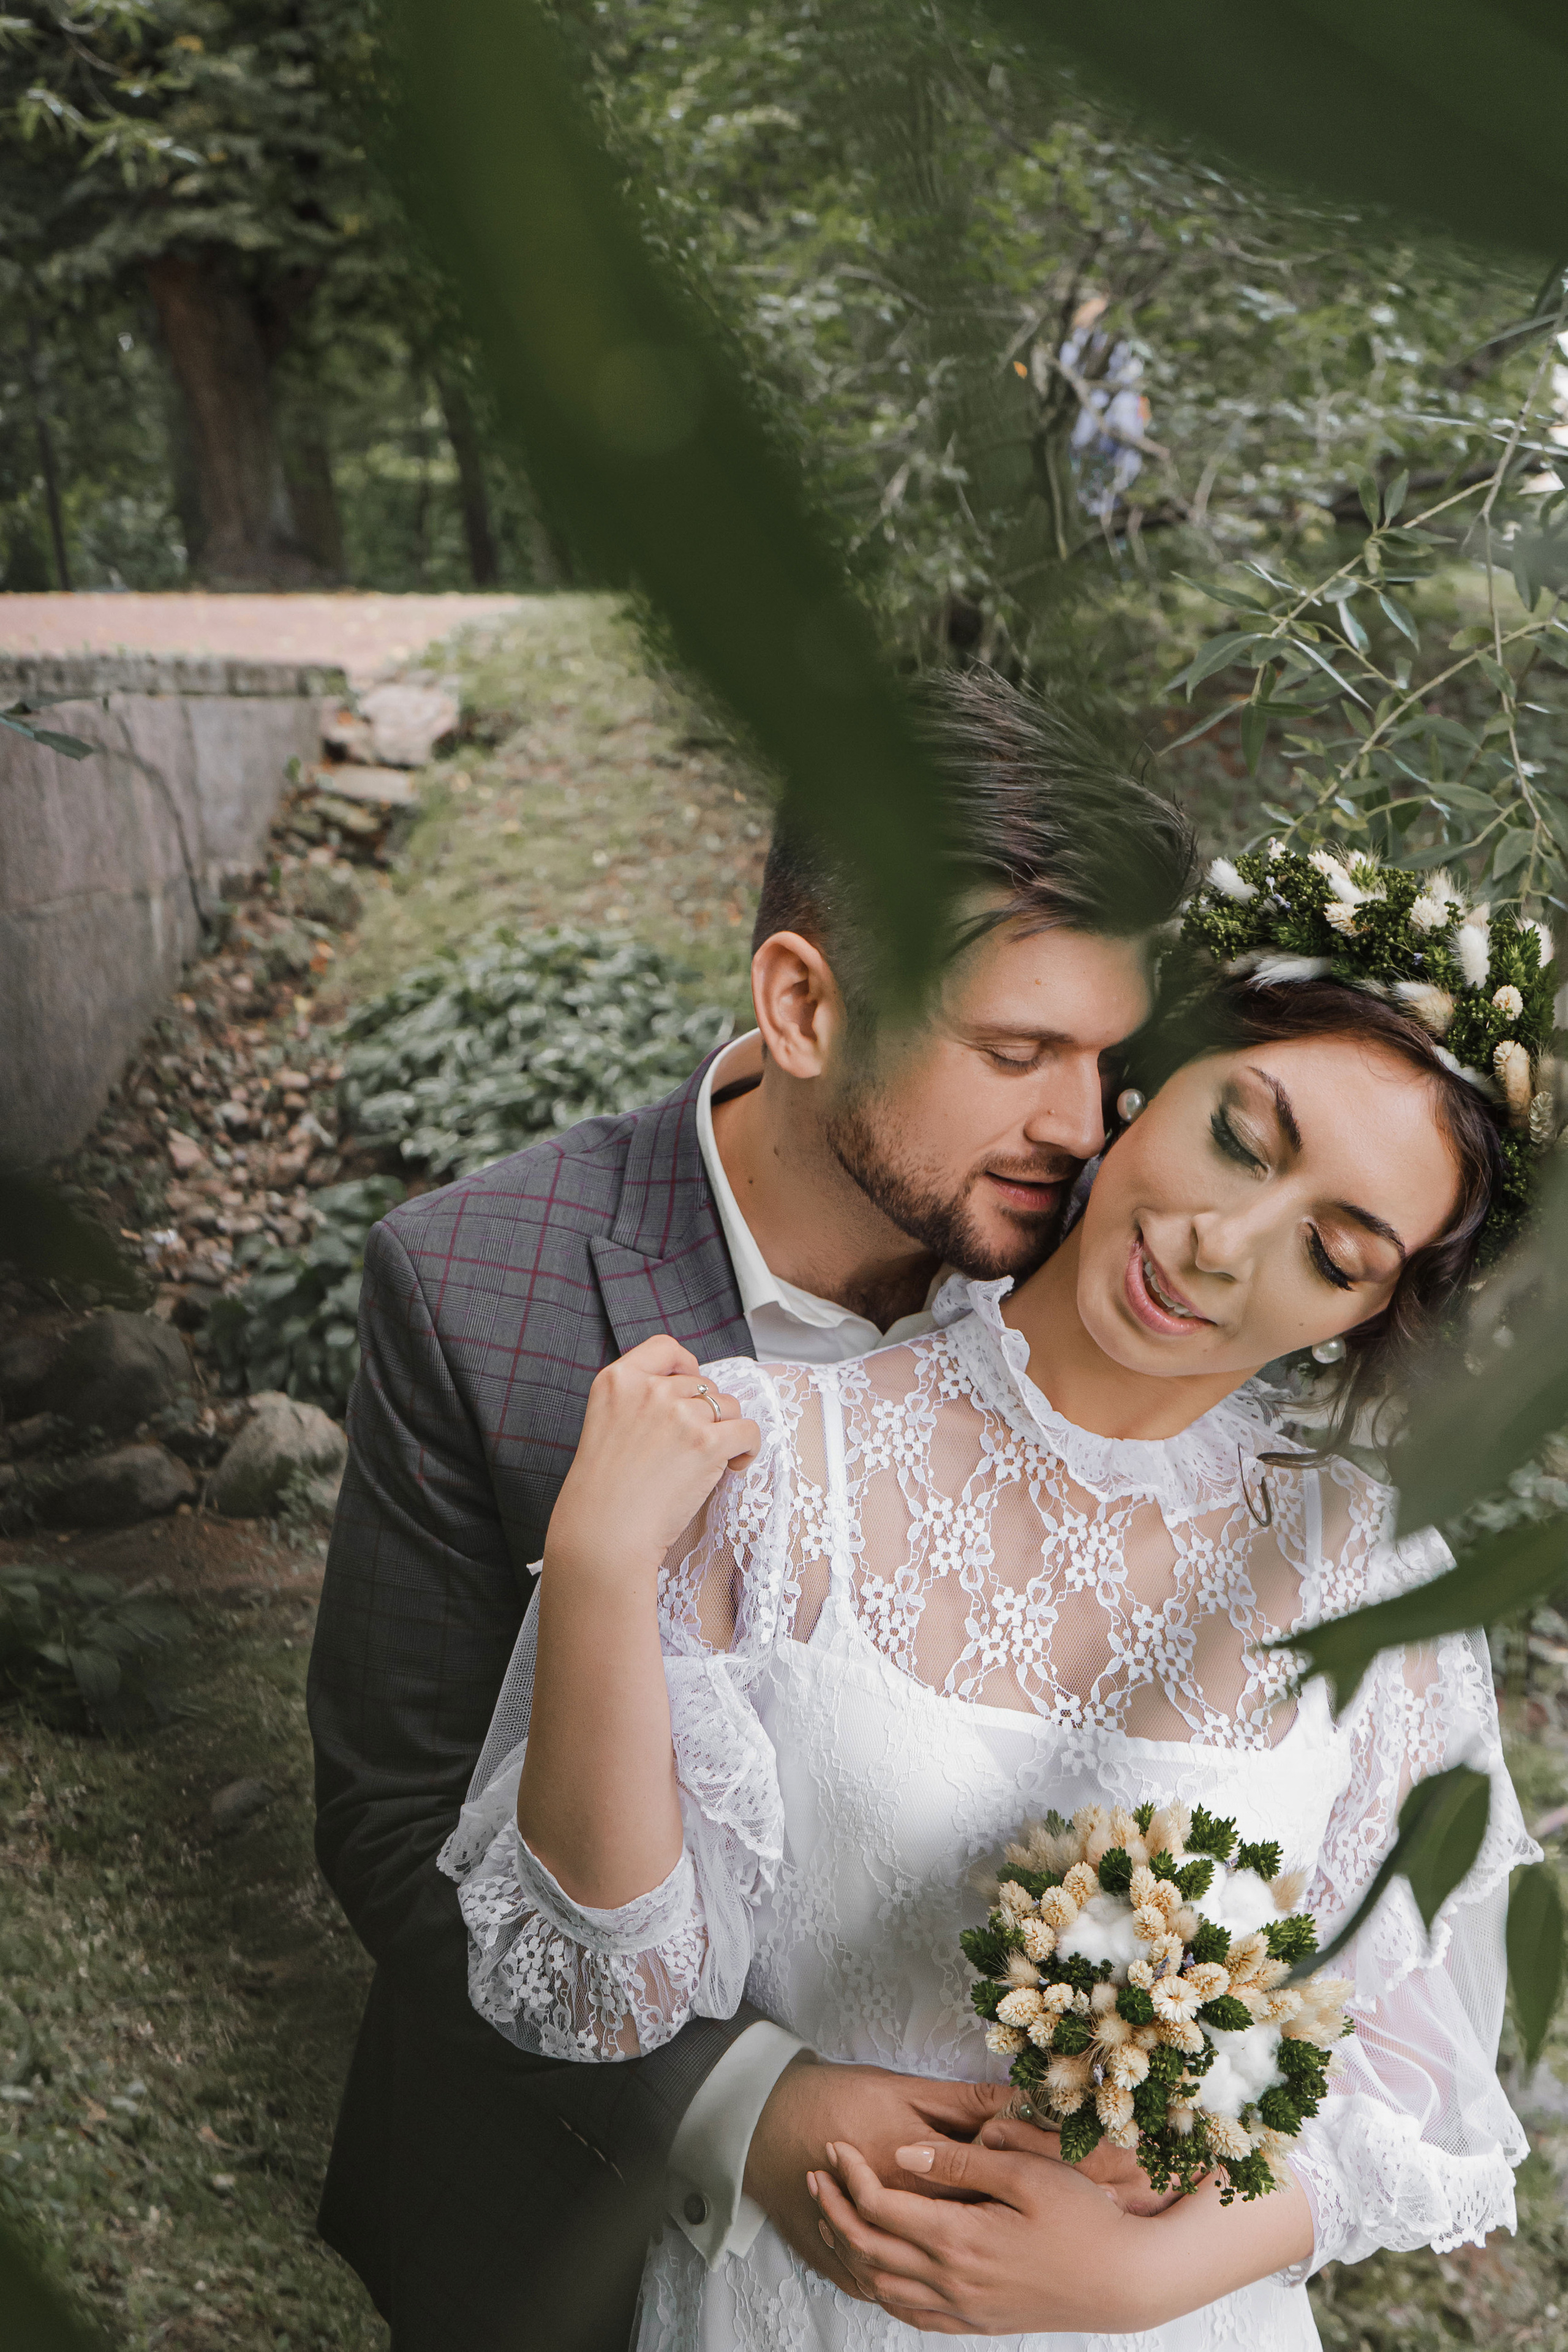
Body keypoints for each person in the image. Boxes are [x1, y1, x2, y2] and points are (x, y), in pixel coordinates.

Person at [439, 842, 1553, 2350]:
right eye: (1240, 1135)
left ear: (1368, 1313)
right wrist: (592, 1568)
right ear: (1149, 1078)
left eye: (1332, 1248)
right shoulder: (770, 1457)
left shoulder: (1362, 1571)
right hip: (808, 2301)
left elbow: (1416, 2091)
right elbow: (599, 1991)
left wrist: (1146, 2276)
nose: (1224, 1248)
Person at [306, 671, 1196, 2348]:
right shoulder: (475, 1288)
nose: (1083, 1127)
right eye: (1017, 1052)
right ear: (804, 1004)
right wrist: (741, 2107)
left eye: (1109, 1057)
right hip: (567, 2233)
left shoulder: (1117, 1275)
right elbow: (396, 1807)